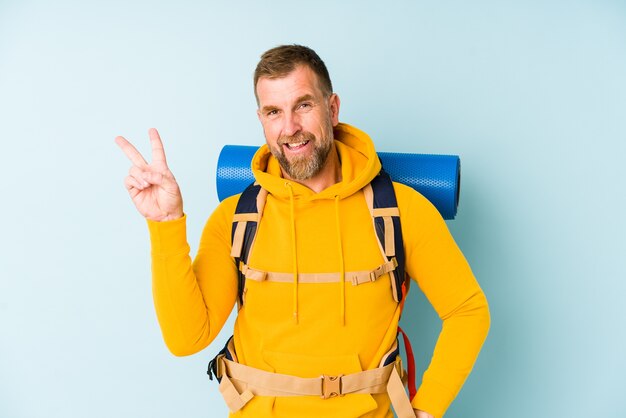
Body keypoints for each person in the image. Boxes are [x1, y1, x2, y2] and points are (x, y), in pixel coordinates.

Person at [115, 45, 490, 418]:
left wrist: (427, 408)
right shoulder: (236, 219)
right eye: (274, 112)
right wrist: (165, 226)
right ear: (261, 119)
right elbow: (186, 339)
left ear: (333, 108)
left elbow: (467, 310)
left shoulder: (400, 210)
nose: (290, 128)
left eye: (304, 105)